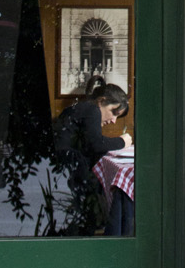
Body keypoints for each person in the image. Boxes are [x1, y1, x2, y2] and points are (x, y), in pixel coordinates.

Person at [53, 75, 129, 234]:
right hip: (73, 167)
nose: (114, 120)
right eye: (113, 112)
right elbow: (96, 144)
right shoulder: (92, 110)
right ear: (101, 101)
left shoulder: (81, 108)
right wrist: (122, 142)